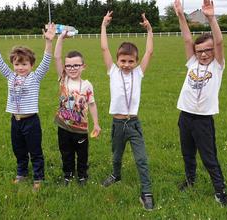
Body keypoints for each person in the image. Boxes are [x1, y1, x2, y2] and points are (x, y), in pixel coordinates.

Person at [0, 21, 55, 191]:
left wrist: (49, 41)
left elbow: (46, 61)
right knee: (19, 150)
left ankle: (38, 177)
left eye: (24, 64)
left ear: (31, 65)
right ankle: (21, 173)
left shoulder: (35, 77)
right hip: (15, 121)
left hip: (31, 121)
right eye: (17, 64)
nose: (20, 67)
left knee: (35, 151)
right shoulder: (10, 76)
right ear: (13, 65)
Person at [173, 0, 227, 206]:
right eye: (200, 51)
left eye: (207, 50)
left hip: (203, 120)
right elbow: (188, 40)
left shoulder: (217, 66)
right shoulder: (192, 62)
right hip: (185, 116)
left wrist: (211, 18)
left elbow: (219, 42)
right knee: (187, 153)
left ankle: (220, 192)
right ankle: (190, 180)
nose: (204, 54)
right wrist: (180, 15)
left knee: (209, 157)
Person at [100, 11, 155, 211]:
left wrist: (149, 30)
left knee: (141, 159)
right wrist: (104, 26)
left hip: (133, 124)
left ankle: (146, 192)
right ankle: (116, 175)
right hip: (117, 123)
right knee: (116, 155)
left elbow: (149, 53)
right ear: (117, 60)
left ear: (136, 62)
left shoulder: (138, 73)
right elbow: (104, 48)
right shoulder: (112, 71)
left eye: (131, 61)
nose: (126, 65)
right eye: (123, 61)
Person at [54, 30, 101, 186]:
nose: (72, 68)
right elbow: (57, 57)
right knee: (66, 153)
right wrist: (60, 38)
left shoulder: (87, 85)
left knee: (82, 154)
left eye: (76, 65)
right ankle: (67, 175)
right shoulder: (63, 80)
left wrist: (96, 124)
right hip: (64, 126)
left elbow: (92, 104)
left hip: (81, 128)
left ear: (83, 66)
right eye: (68, 66)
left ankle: (82, 175)